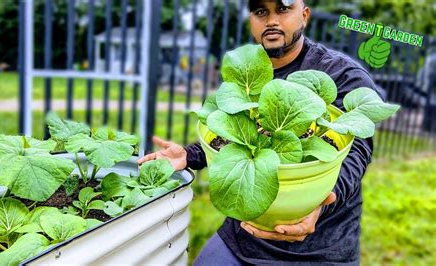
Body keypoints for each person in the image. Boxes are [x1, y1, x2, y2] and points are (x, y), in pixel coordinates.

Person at [138, 0, 384, 264]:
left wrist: (321, 204)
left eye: (282, 9)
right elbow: (233, 131)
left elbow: (356, 150)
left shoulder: (340, 72)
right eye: (260, 12)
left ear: (304, 15)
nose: (271, 20)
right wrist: (190, 155)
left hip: (321, 244)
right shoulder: (247, 76)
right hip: (246, 229)